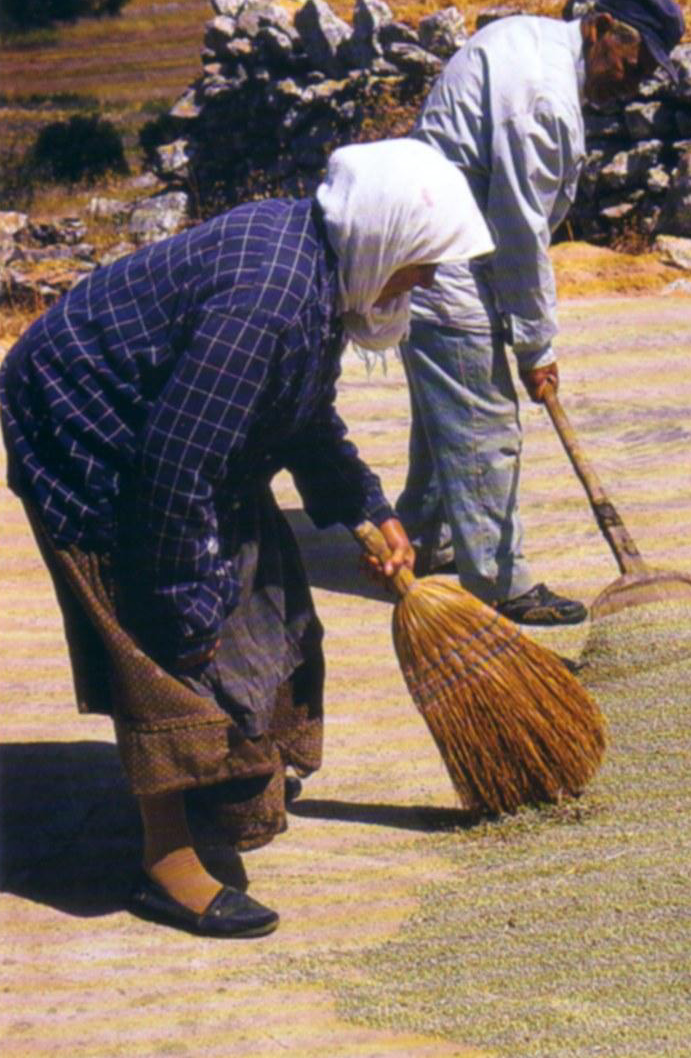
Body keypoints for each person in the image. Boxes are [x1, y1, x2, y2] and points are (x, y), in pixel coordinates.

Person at [0, 139, 494, 939]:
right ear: (386, 237)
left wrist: (367, 507)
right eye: (424, 263)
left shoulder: (319, 269)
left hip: (167, 429)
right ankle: (166, 862)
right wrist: (183, 607)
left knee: (258, 594)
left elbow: (300, 411)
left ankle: (223, 775)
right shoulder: (268, 295)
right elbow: (175, 472)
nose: (428, 281)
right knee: (156, 633)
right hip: (86, 424)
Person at [397, 0, 685, 624]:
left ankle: (422, 536)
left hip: (439, 237)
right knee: (484, 420)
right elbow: (521, 229)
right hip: (440, 252)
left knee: (449, 406)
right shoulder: (545, 97)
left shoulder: (534, 44)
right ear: (602, 28)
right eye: (633, 66)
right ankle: (501, 580)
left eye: (646, 76)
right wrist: (536, 345)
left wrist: (521, 326)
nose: (634, 84)